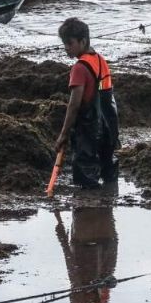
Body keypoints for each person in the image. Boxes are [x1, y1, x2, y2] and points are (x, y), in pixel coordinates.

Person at [54, 18, 120, 189]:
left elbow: (74, 105)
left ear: (83, 41)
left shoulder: (79, 68)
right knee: (109, 172)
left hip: (89, 129)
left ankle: (89, 205)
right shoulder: (101, 61)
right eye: (64, 44)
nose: (66, 48)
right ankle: (110, 199)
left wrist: (63, 134)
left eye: (70, 43)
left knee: (86, 177)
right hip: (109, 128)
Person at [54, 207, 118, 303]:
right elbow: (74, 271)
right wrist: (63, 242)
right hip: (86, 244)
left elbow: (106, 278)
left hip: (106, 243)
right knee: (86, 205)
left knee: (103, 206)